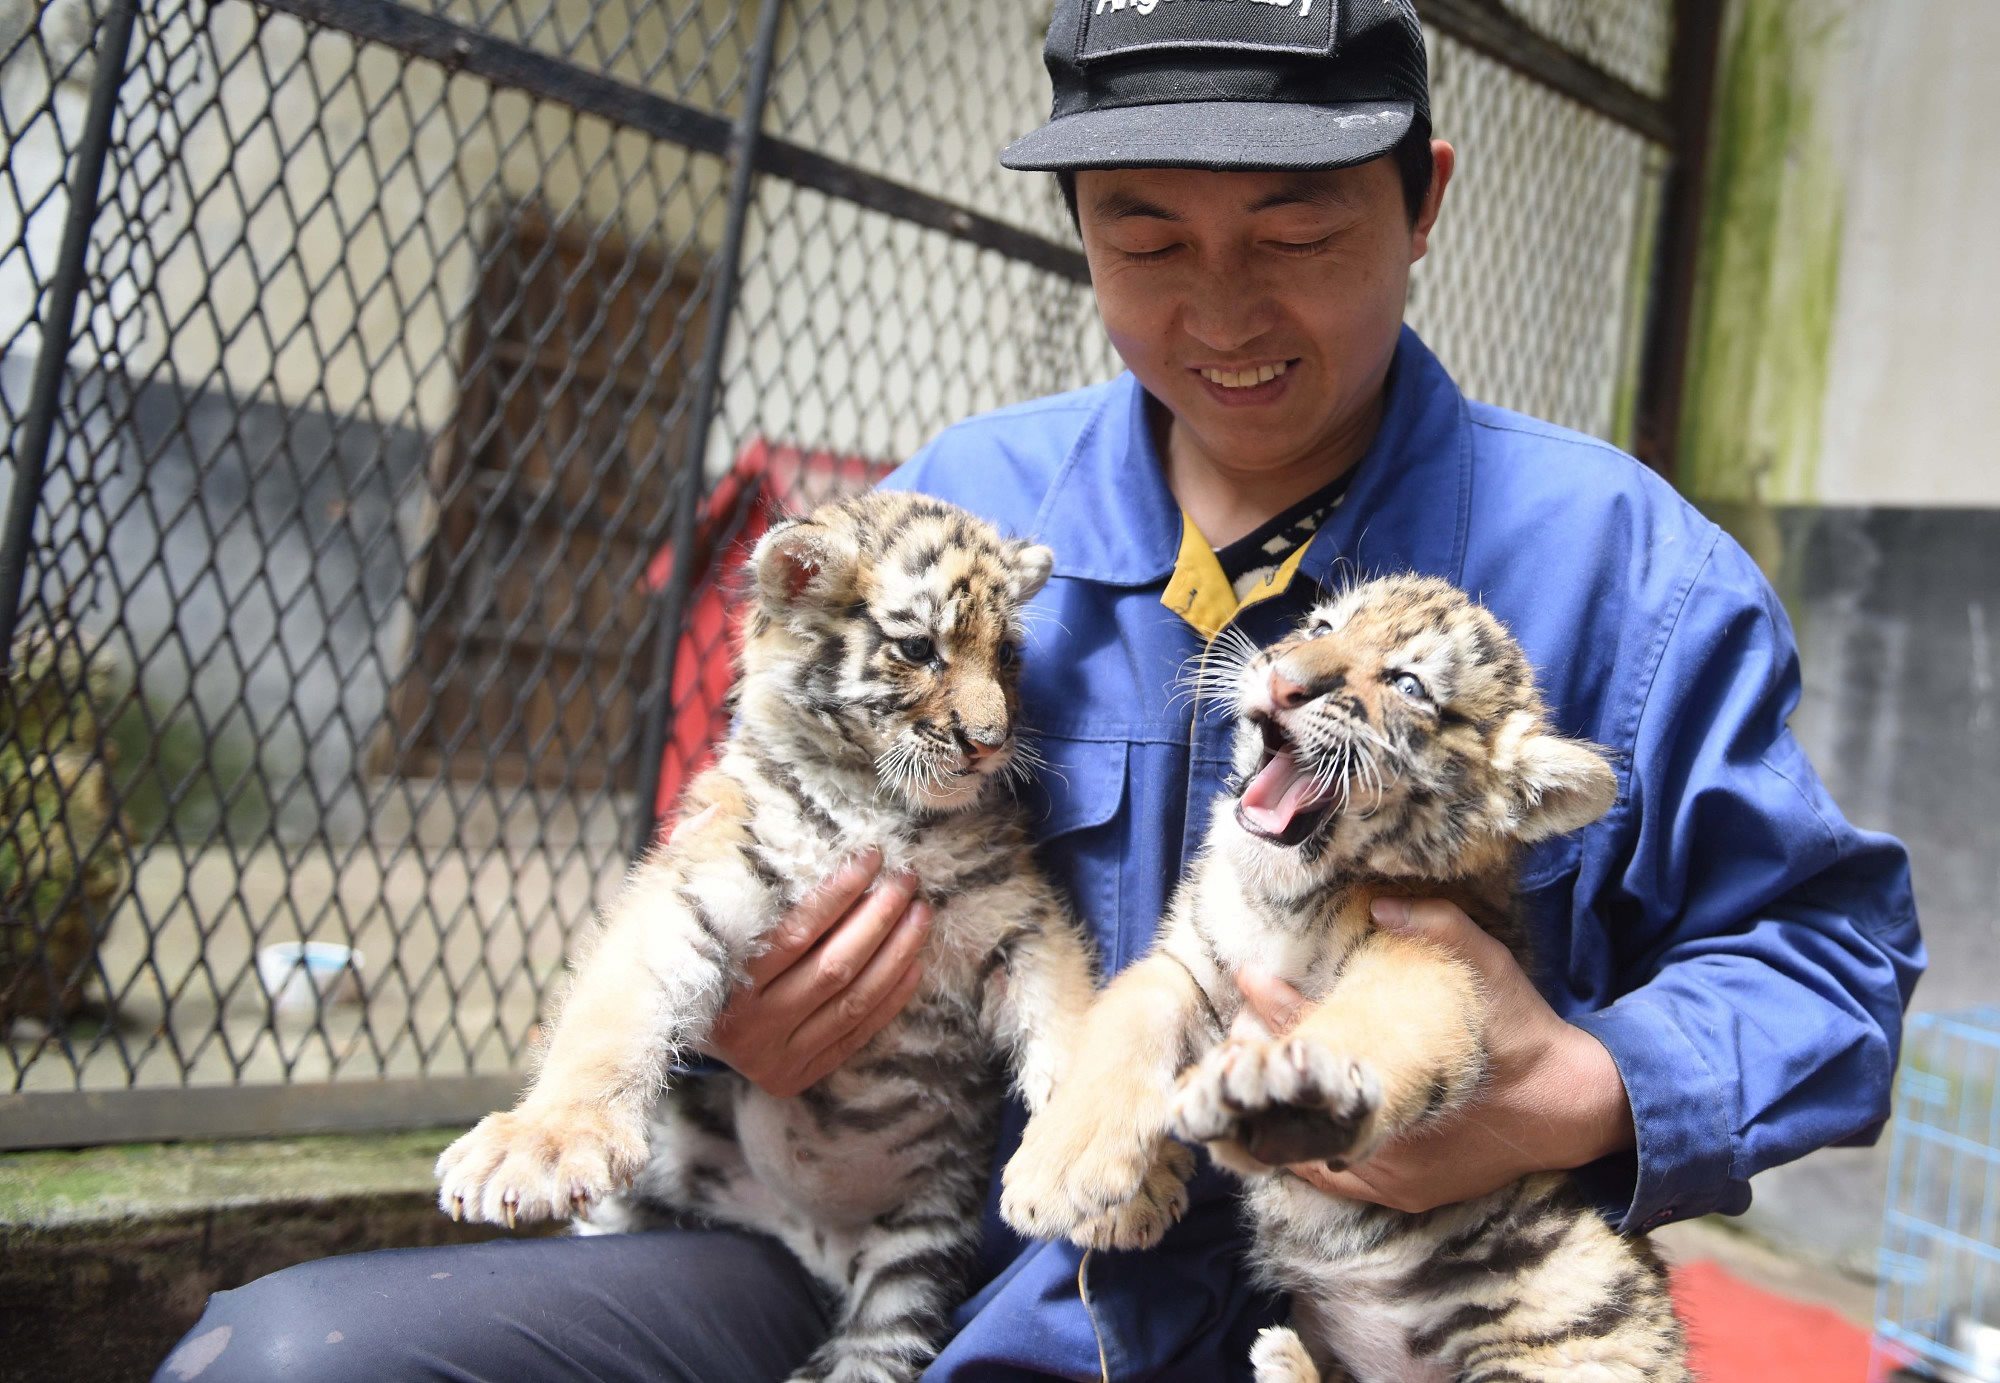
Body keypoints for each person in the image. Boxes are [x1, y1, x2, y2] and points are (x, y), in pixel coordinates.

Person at [157, 2, 1923, 1378]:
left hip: (1374, 1323)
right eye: (1144, 238)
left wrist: (1574, 1092)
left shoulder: (1630, 567)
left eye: (1294, 229)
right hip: (941, 1268)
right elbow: (739, 833)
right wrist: (742, 1019)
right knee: (292, 1355)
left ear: (1424, 201)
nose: (1222, 311)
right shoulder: (968, 504)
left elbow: (1826, 965)